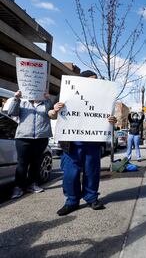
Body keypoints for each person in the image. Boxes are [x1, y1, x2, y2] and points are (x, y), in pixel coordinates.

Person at [53, 70, 118, 216]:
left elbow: (110, 118)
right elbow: (51, 113)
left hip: (93, 143)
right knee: (71, 174)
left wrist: (113, 121)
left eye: (96, 80)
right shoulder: (66, 92)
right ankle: (72, 201)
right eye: (90, 80)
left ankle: (91, 198)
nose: (94, 82)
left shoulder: (102, 98)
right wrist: (54, 110)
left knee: (92, 172)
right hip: (71, 143)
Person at [8, 91, 58, 199]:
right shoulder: (23, 102)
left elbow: (53, 115)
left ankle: (32, 184)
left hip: (41, 138)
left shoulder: (46, 103)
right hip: (23, 138)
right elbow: (12, 112)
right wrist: (16, 98)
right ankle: (19, 187)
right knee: (22, 163)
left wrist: (48, 99)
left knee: (36, 162)